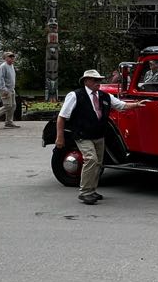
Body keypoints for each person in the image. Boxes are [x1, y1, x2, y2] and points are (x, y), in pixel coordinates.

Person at [56, 69, 147, 205]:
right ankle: (85, 192)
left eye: (99, 80)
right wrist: (60, 137)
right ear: (86, 81)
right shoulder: (75, 95)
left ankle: (91, 190)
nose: (98, 82)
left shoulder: (105, 96)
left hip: (98, 135)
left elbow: (121, 105)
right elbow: (62, 117)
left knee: (98, 163)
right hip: (83, 134)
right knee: (91, 159)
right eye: (94, 80)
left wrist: (136, 105)